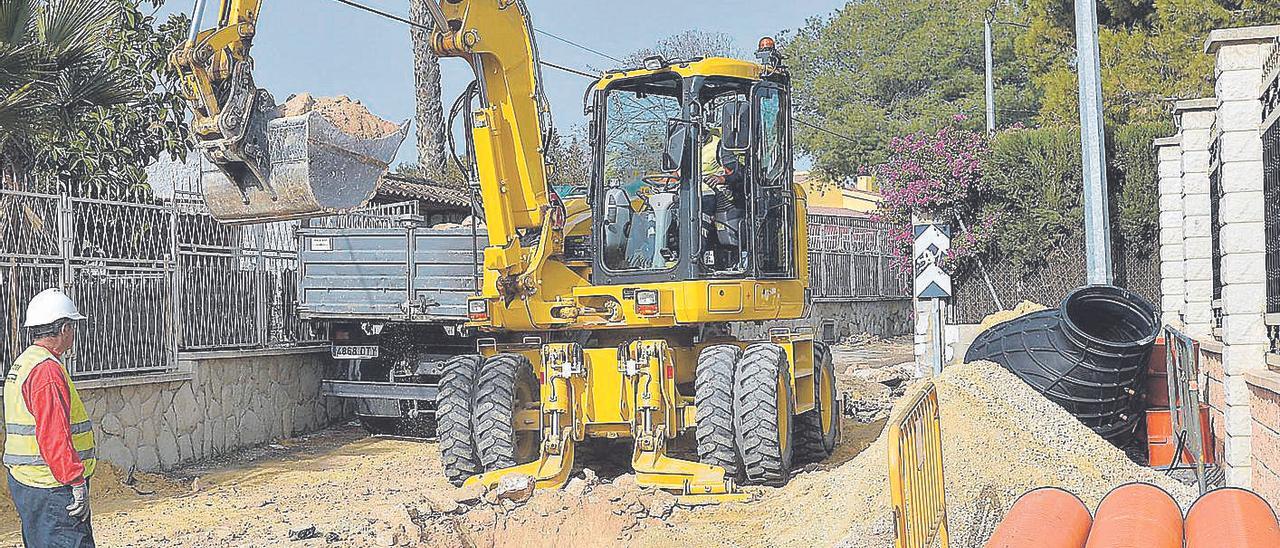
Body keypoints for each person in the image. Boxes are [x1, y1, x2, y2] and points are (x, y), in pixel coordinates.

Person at [4, 288, 96, 548]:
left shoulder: (26, 362)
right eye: (73, 327)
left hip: (30, 484)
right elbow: (54, 436)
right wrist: (76, 481)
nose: (74, 334)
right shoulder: (46, 371)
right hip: (53, 486)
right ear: (64, 328)